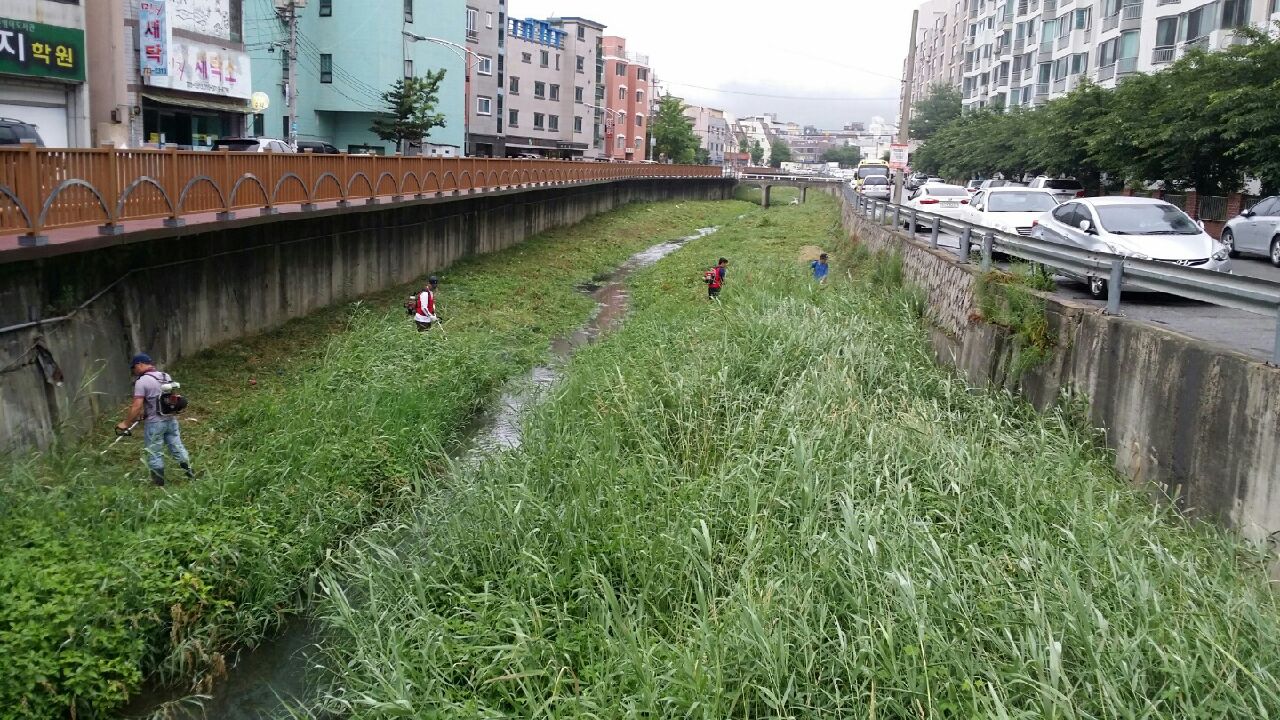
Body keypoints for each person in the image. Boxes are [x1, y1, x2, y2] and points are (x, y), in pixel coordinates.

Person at [116, 353, 193, 486]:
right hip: (170, 420)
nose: (134, 371)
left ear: (140, 364)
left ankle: (159, 485)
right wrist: (145, 412)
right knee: (177, 447)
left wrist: (126, 423)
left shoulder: (142, 381)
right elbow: (162, 399)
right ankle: (191, 475)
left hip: (155, 423)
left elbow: (136, 405)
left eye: (134, 368)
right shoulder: (165, 376)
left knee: (154, 451)